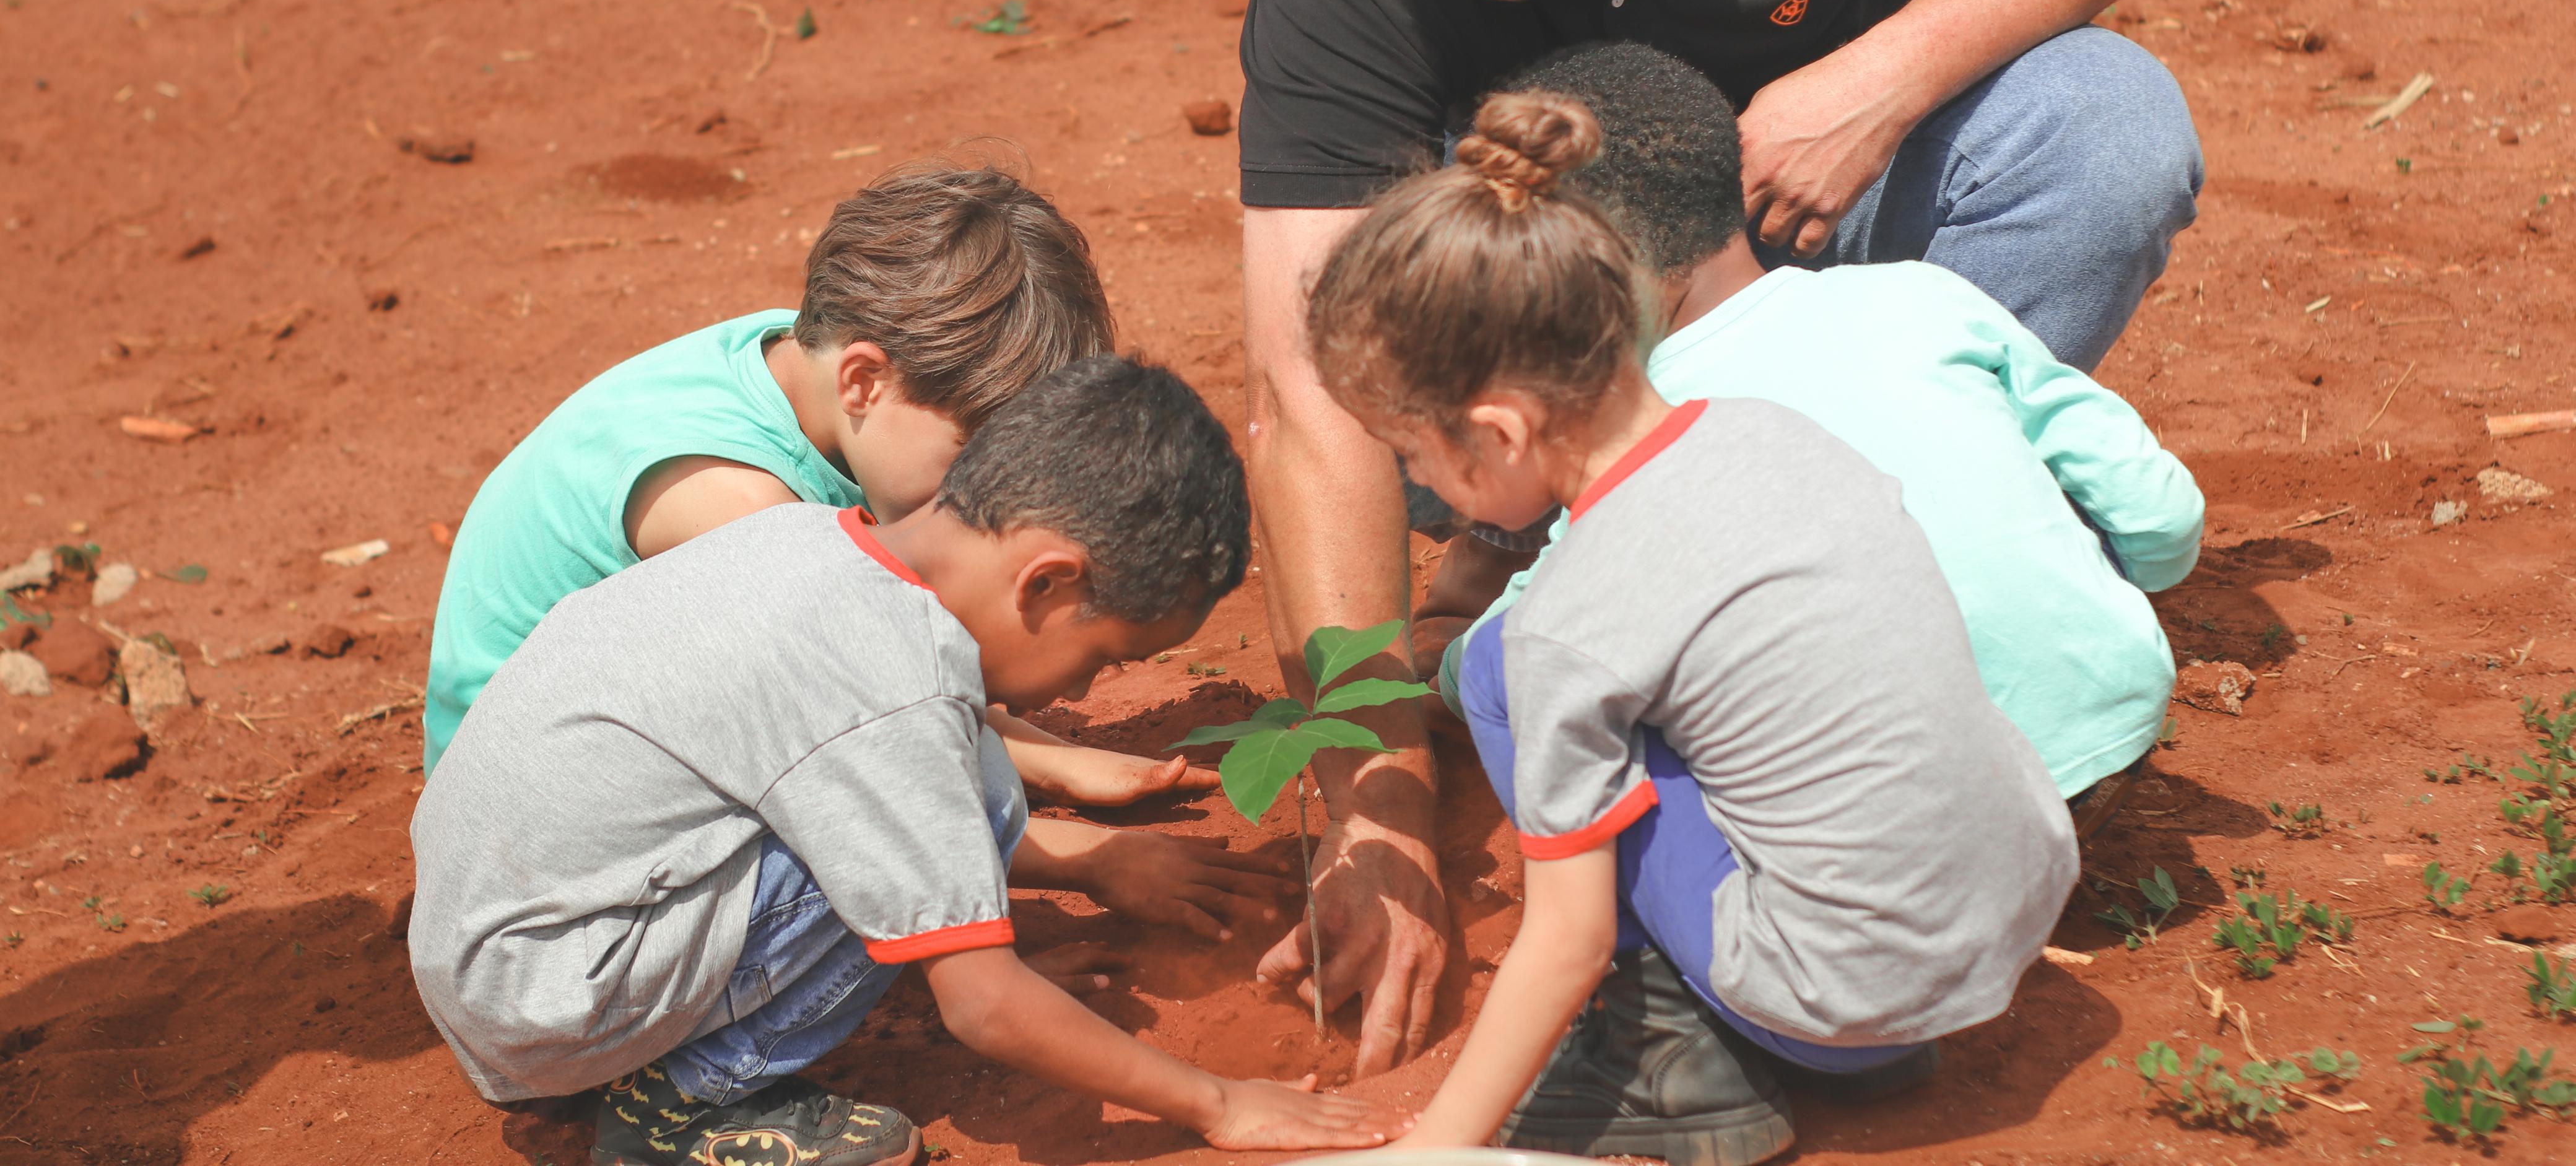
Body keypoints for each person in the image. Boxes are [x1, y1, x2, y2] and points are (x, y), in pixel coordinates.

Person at [1237, 0, 2206, 1062]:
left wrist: (1873, 84)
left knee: (2105, 132)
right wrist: (1376, 800)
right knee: (1391, 283)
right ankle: (1544, 537)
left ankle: (1863, 591)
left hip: (1837, 234)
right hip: (1579, 326)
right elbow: (1311, 376)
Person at [1302, 95, 2078, 1164]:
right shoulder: (1779, 430)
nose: (1424, 486)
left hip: (1836, 997)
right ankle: (1866, 1022)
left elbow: (1566, 938)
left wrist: (1436, 1145)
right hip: (2005, 917)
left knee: (1491, 670)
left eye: (1415, 457)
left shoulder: (1569, 619)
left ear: (1497, 432)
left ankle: (1665, 1049)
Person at [411, 357, 1410, 1166]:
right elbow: (984, 1005)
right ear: (1049, 580)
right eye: (1105, 653)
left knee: (957, 775)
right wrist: (1221, 1101)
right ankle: (677, 1105)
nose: (1085, 696)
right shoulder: (890, 685)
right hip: (555, 1001)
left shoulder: (809, 542)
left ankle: (660, 1041)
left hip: (507, 947)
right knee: (965, 785)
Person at [1421, 43, 2200, 833]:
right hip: (2108, 736)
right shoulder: (1925, 295)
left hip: (1892, 824)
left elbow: (1527, 647)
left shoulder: (1644, 430)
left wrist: (1448, 668)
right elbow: (2164, 519)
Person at [424, 160, 1216, 818]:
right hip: (541, 815)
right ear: (865, 380)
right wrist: (1047, 773)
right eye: (975, 458)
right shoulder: (732, 504)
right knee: (937, 805)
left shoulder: (813, 356)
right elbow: (845, 708)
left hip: (636, 722)